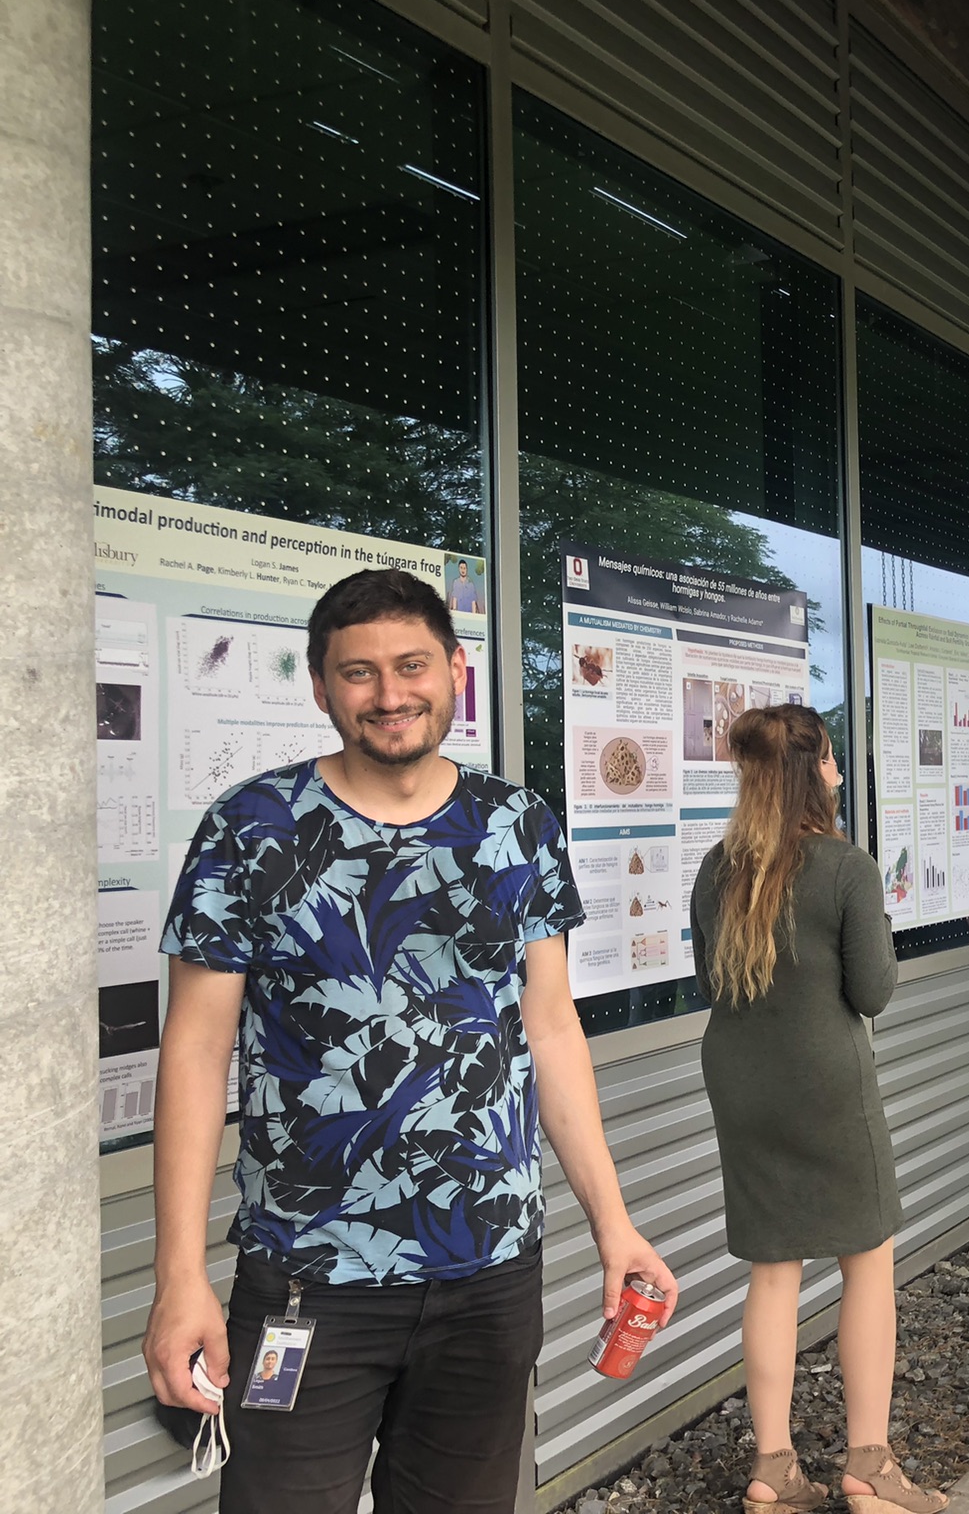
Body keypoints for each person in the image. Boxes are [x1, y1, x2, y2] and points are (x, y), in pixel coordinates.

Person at [143, 569, 673, 1514]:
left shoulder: (516, 826)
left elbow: (550, 1030)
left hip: (489, 1273)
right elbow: (191, 1055)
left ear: (456, 673)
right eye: (359, 673)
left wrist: (614, 1224)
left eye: (412, 665)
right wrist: (179, 1278)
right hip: (309, 1279)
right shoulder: (251, 830)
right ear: (320, 688)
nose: (390, 695)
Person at [690, 705, 946, 1514]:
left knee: (773, 1271)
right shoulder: (845, 868)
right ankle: (869, 1466)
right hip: (827, 1085)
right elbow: (871, 991)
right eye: (832, 759)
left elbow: (713, 985)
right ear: (814, 771)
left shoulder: (715, 868)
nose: (839, 772)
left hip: (740, 1083)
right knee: (867, 1260)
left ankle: (774, 1468)